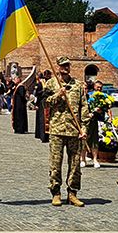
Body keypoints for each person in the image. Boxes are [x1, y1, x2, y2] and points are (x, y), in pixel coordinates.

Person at [44, 58, 90, 207]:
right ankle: (56, 193)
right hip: (57, 129)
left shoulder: (77, 85)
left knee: (75, 164)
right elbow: (44, 103)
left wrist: (84, 128)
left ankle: (72, 193)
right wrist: (58, 94)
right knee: (56, 164)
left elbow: (84, 107)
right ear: (57, 67)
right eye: (62, 65)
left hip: (74, 130)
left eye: (67, 65)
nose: (65, 68)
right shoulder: (51, 83)